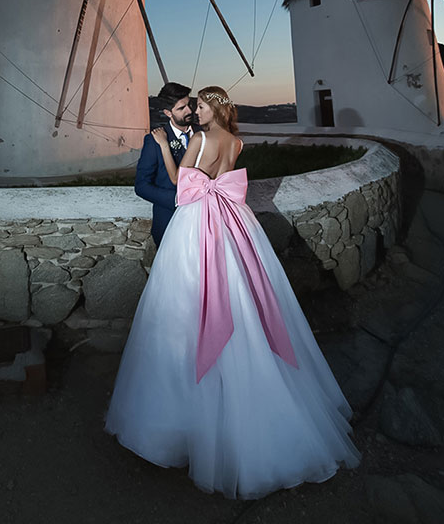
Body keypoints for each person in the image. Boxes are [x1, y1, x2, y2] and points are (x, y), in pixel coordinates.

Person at [106, 85, 360, 500]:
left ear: (214, 110)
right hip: (232, 223)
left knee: (190, 300)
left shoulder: (202, 138)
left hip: (194, 225)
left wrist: (163, 146)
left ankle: (190, 416)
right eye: (193, 106)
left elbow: (177, 180)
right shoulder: (237, 141)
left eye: (201, 106)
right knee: (243, 293)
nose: (196, 112)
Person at [134, 82, 194, 246]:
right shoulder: (154, 141)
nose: (189, 111)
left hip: (201, 222)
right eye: (181, 108)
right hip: (169, 221)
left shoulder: (203, 135)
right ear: (168, 113)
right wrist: (175, 199)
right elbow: (141, 185)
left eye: (189, 104)